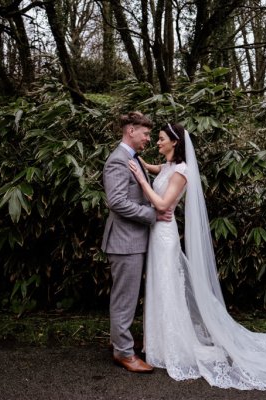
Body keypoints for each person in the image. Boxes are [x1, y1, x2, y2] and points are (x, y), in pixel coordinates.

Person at [128, 122, 266, 389]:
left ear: (175, 142)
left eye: (161, 138)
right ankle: (157, 342)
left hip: (164, 234)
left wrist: (142, 180)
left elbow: (163, 204)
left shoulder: (182, 170)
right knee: (158, 286)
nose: (157, 142)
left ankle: (172, 346)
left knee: (168, 287)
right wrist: (139, 160)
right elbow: (157, 171)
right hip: (155, 235)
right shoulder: (168, 167)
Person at [101, 111, 172, 373]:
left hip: (133, 240)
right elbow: (117, 202)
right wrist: (153, 214)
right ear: (131, 131)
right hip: (124, 241)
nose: (148, 138)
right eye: (145, 134)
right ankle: (123, 352)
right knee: (125, 297)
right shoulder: (118, 161)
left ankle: (120, 340)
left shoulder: (133, 158)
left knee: (127, 296)